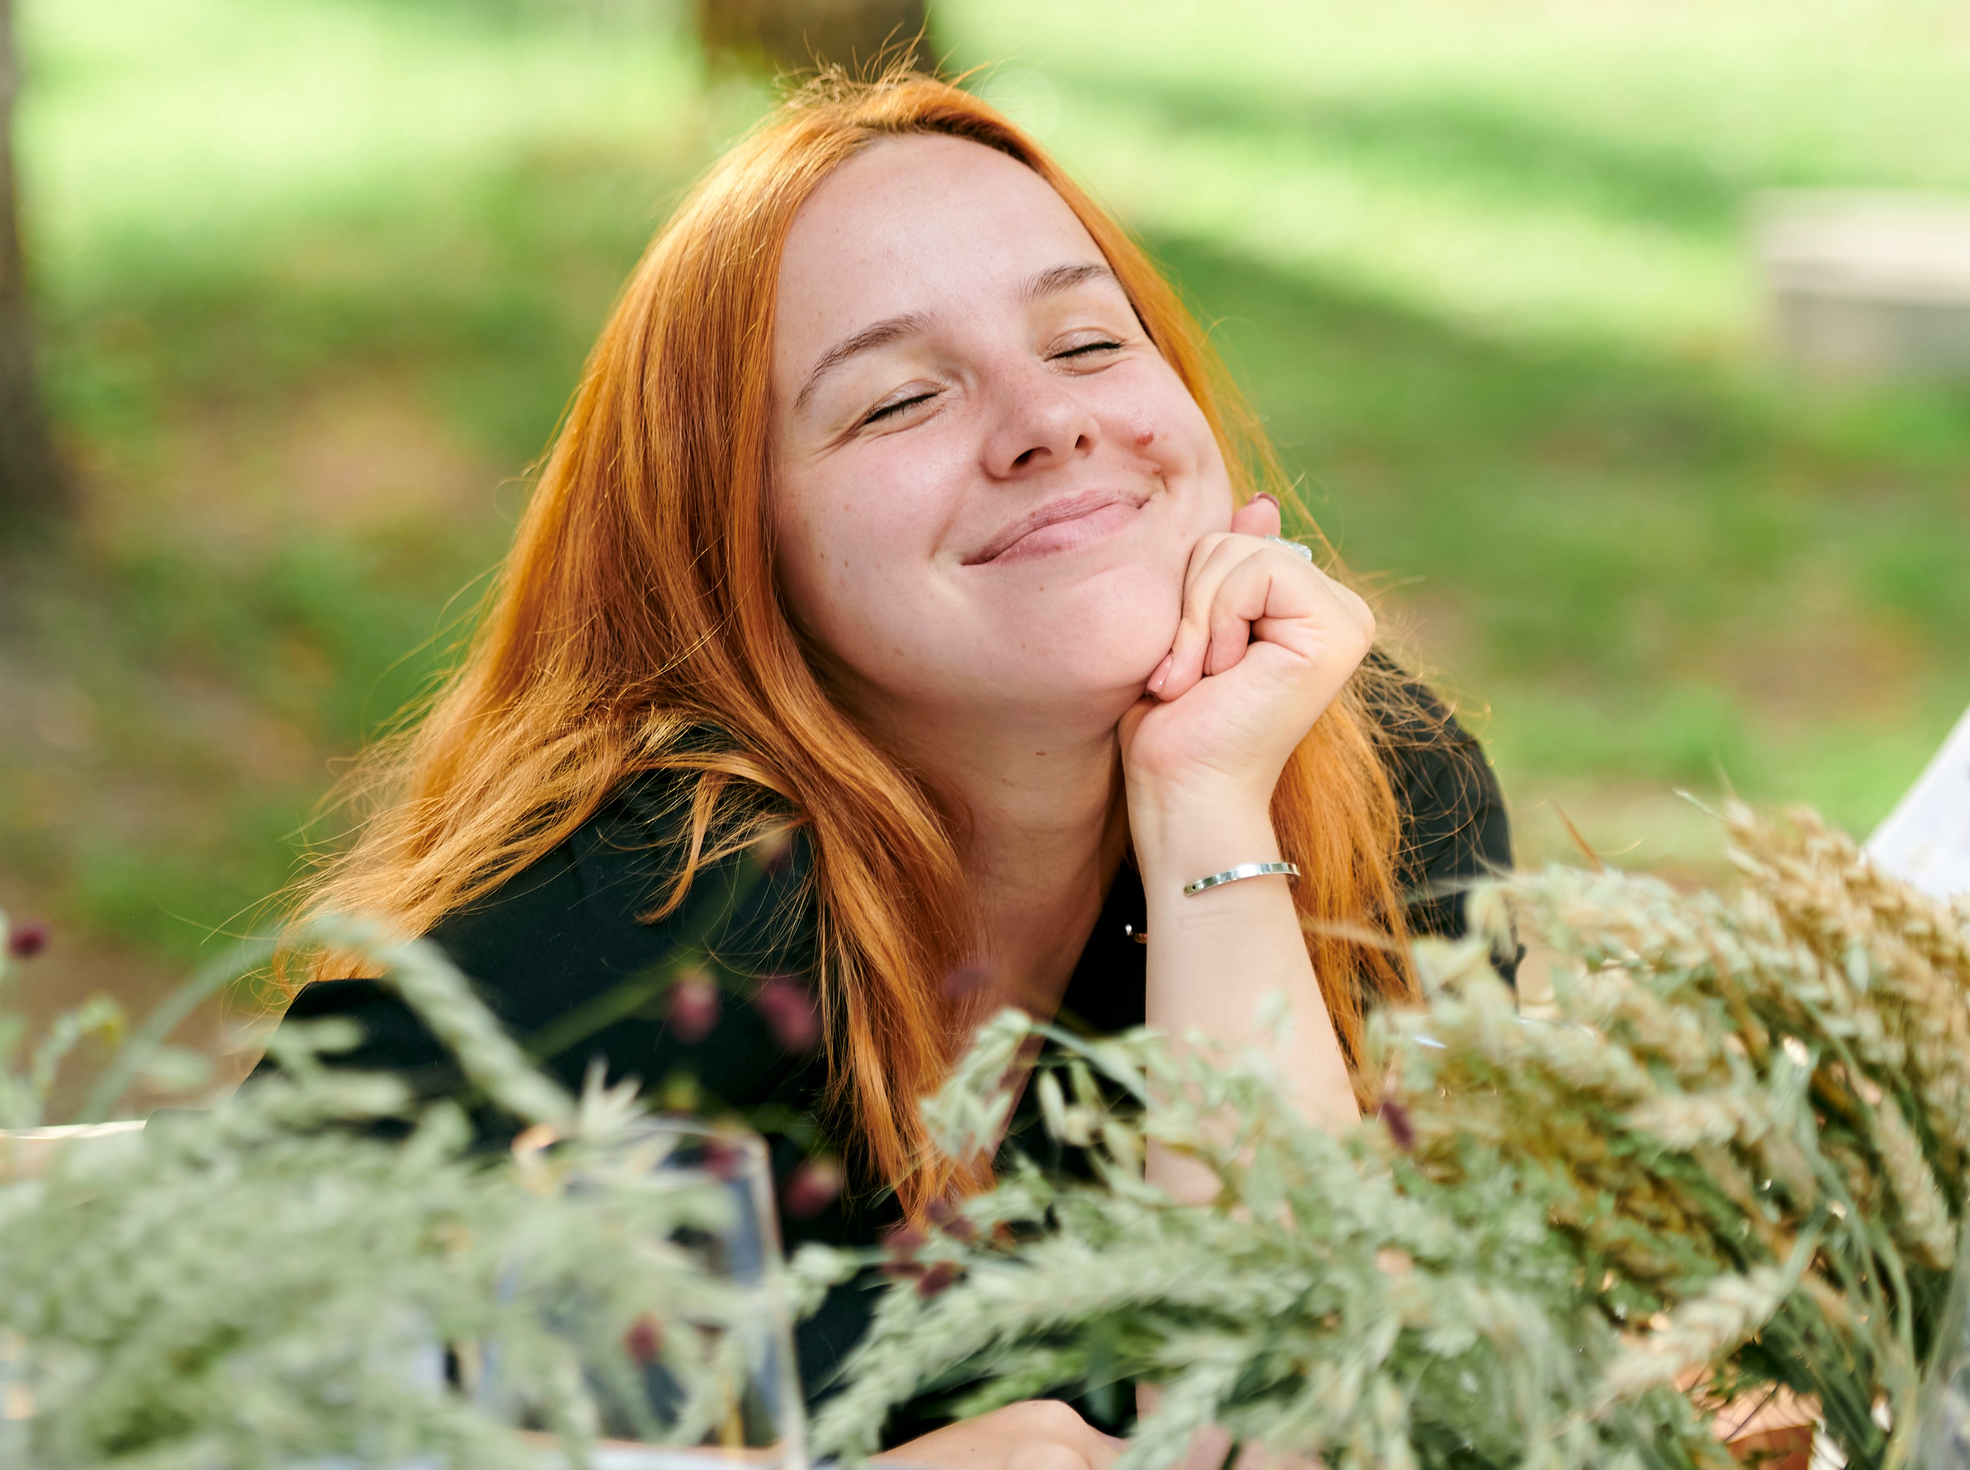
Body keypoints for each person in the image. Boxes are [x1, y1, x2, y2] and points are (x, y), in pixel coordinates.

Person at [263, 71, 1511, 1466]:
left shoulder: (1367, 777)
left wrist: (1207, 810)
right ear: (740, 549)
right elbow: (176, 1387)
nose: (1049, 421)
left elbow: (1351, 1430)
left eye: (1091, 342)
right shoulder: (653, 907)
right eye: (900, 400)